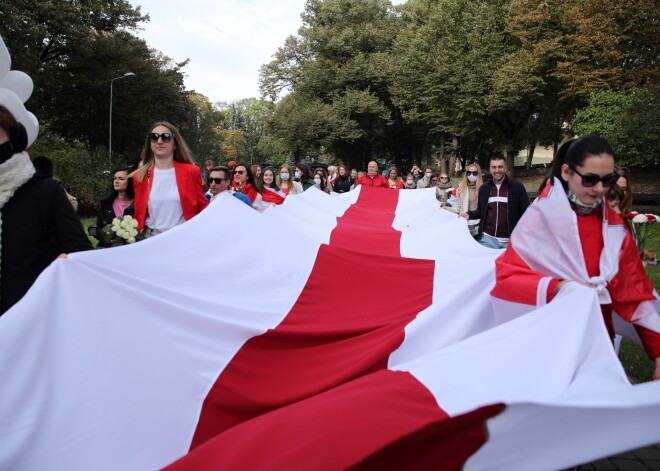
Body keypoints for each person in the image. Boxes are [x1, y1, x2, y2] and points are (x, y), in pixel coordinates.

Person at [491, 135, 660, 381]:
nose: (600, 189)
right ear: (567, 171)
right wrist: (560, 286)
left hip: (597, 342)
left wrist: (657, 352)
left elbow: (634, 293)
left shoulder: (614, 229)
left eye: (607, 180)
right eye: (590, 179)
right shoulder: (538, 221)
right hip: (546, 345)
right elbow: (507, 280)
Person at [0, 105, 92, 315]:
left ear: (16, 140)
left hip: (35, 321)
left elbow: (80, 253)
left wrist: (65, 266)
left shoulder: (45, 193)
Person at [132, 122, 208, 237]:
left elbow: (202, 207)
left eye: (166, 137)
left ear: (175, 144)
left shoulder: (191, 172)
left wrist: (223, 203)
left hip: (183, 237)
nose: (159, 141)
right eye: (154, 137)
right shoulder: (139, 176)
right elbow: (139, 213)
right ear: (150, 144)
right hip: (150, 239)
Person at [460, 156, 529, 249]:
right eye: (494, 167)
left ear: (506, 168)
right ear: (490, 169)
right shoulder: (484, 188)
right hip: (487, 239)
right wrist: (469, 214)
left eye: (500, 167)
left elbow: (527, 213)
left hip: (510, 242)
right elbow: (481, 211)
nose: (497, 170)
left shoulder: (517, 187)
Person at [89, 166, 136, 247]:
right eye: (115, 178)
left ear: (131, 181)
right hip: (108, 249)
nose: (116, 181)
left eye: (121, 179)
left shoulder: (138, 203)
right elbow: (92, 230)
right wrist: (105, 236)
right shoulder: (106, 203)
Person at [446, 164, 482, 237]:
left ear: (479, 174)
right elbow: (457, 209)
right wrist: (445, 208)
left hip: (479, 225)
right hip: (464, 225)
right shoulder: (461, 189)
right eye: (469, 173)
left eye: (474, 173)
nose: (471, 175)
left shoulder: (484, 189)